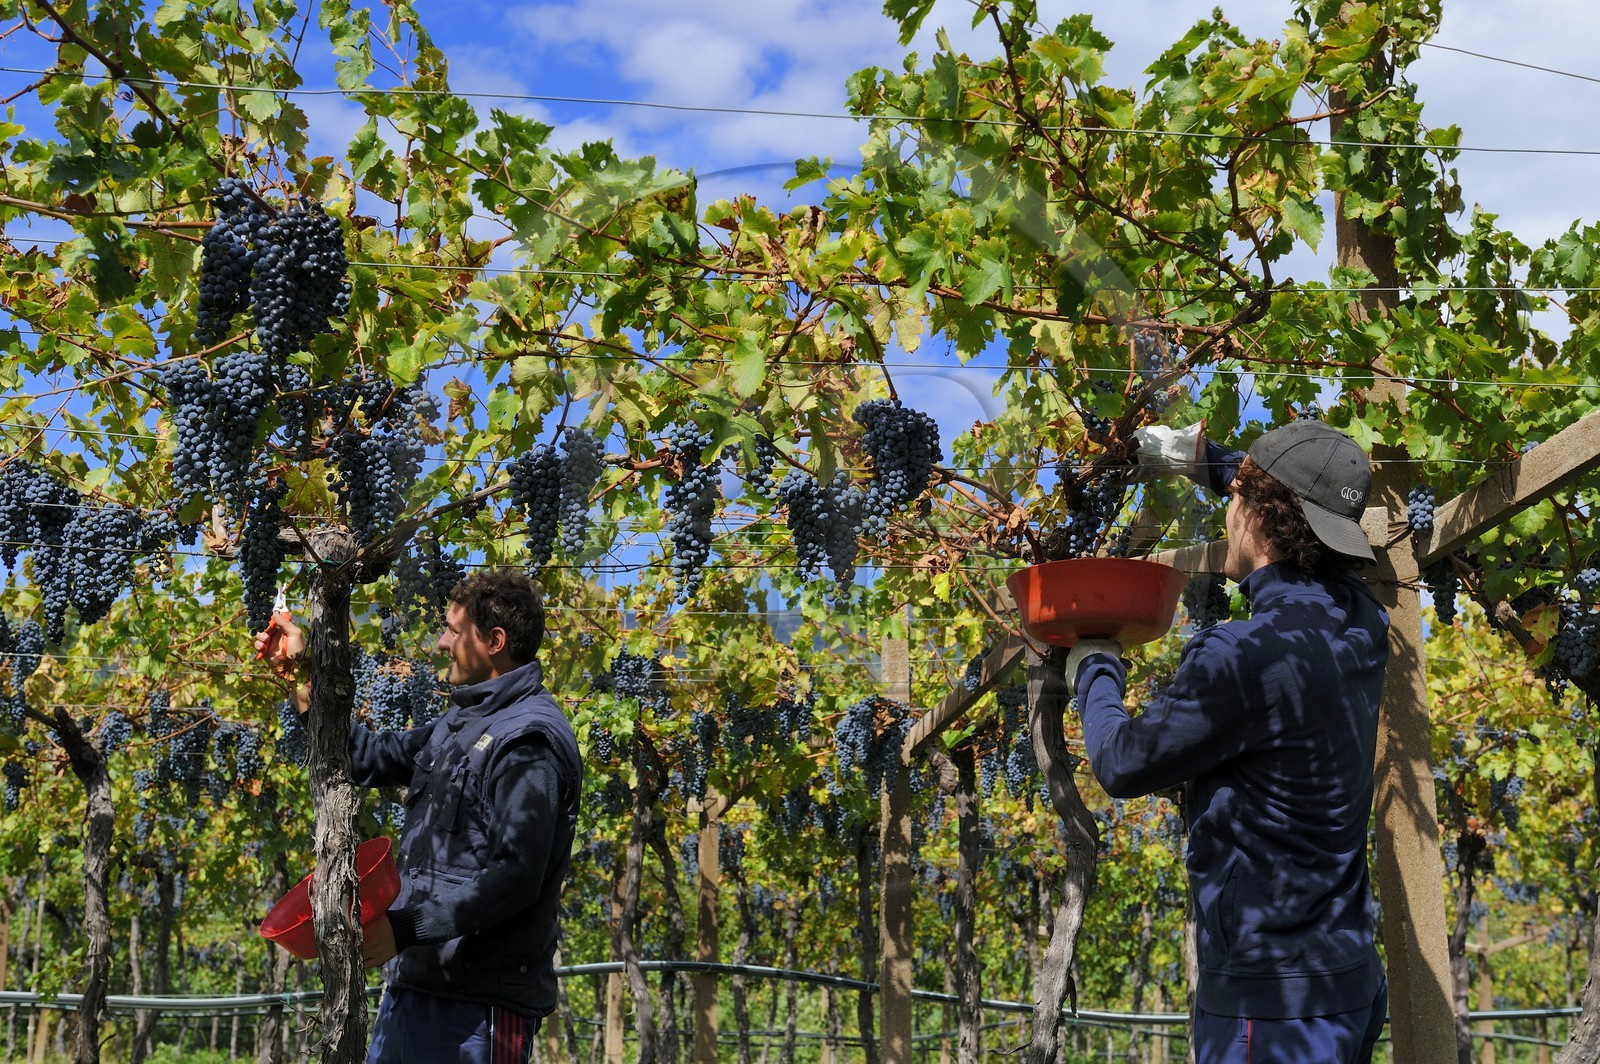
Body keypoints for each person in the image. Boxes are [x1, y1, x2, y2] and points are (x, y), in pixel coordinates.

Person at [1068, 419, 1390, 1064]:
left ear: (1260, 516)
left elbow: (1123, 763)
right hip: (1347, 983)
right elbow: (1291, 500)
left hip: (1272, 1008)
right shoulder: (1362, 620)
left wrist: (1094, 667)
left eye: (1239, 497)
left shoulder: (1245, 655)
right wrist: (1204, 461)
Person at [256, 569, 582, 1064]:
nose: (439, 643)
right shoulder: (460, 724)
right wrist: (301, 679)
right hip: (415, 985)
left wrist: (406, 929)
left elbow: (517, 875)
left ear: (494, 641)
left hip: (478, 1009)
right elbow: (362, 758)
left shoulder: (527, 742)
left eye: (452, 631)